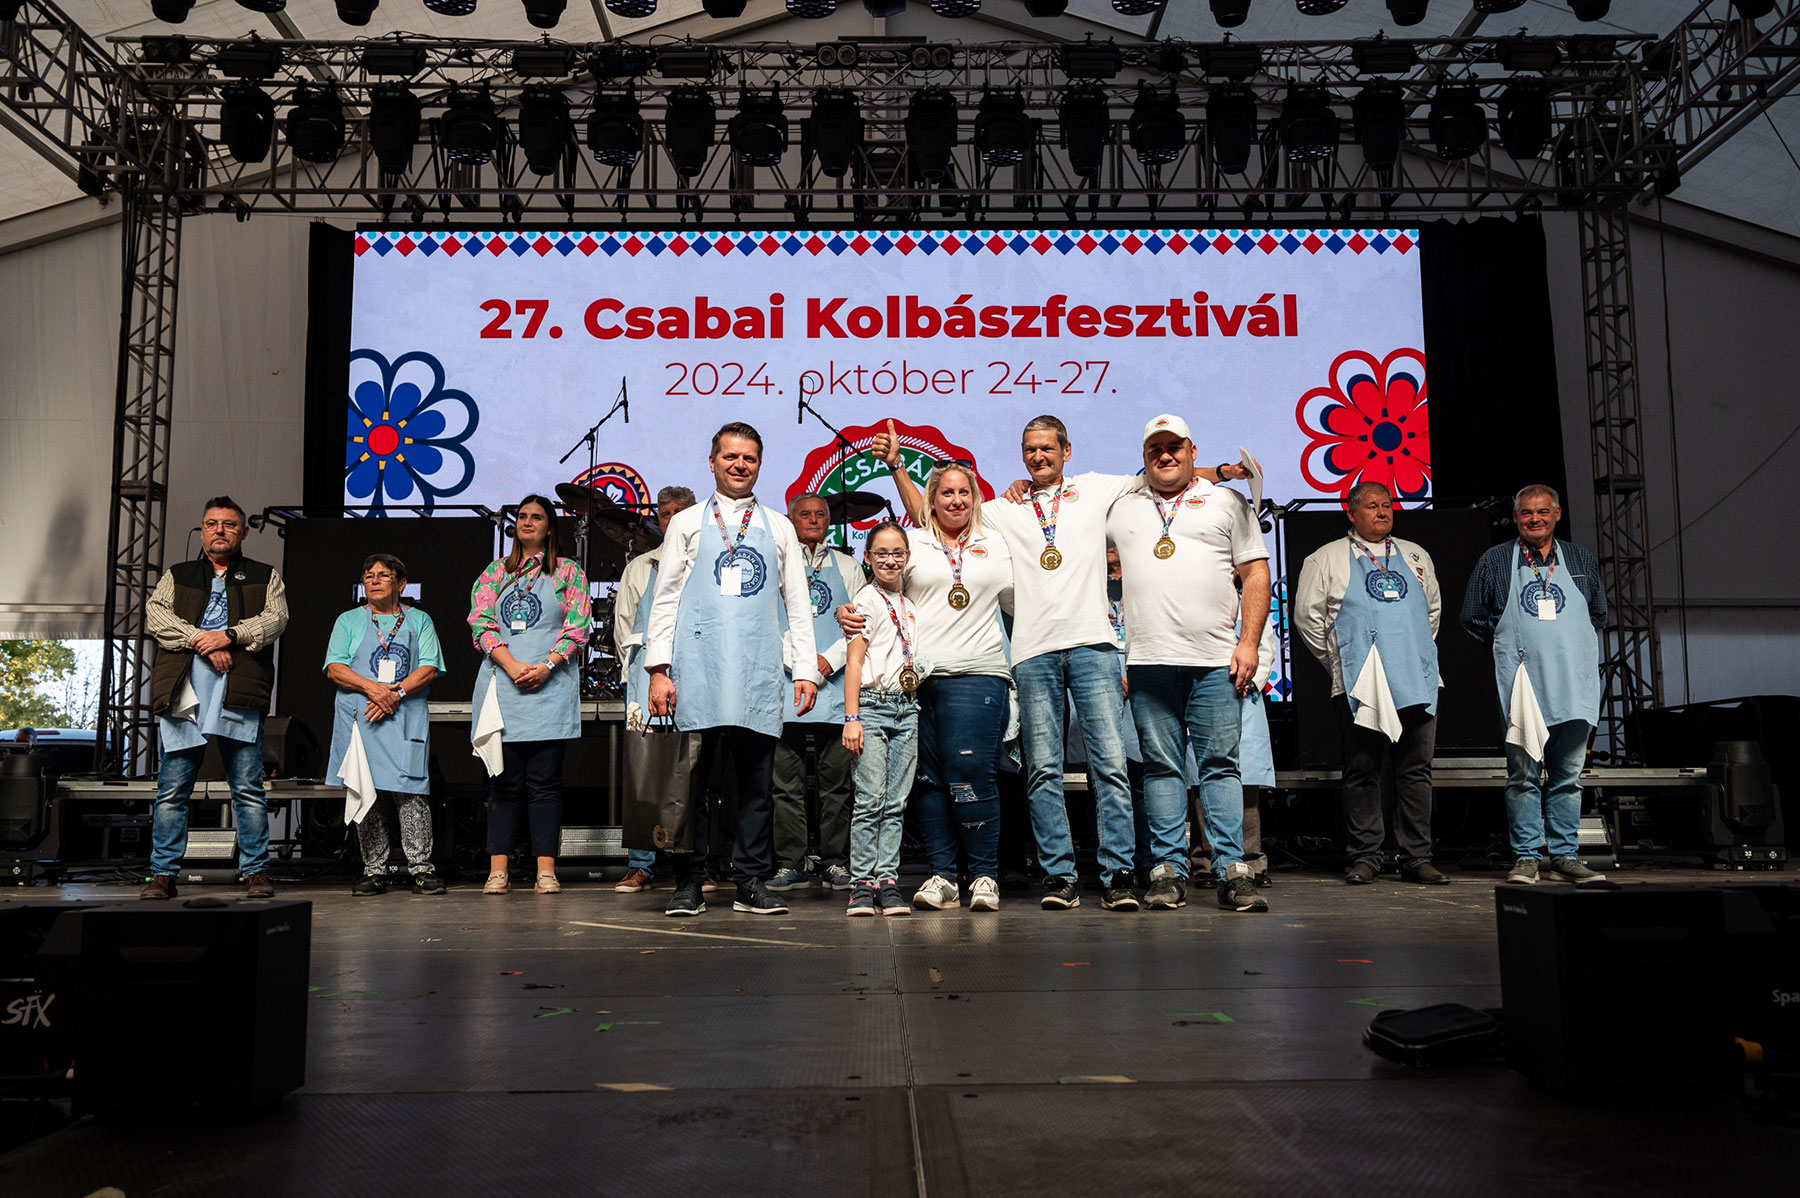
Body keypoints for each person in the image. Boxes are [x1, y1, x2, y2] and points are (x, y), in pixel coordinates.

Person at [876, 417, 1246, 912]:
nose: (1038, 456)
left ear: (1066, 451)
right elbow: (932, 515)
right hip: (1032, 653)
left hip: (1095, 647)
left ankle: (1117, 874)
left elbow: (1164, 472)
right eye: (1030, 449)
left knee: (1109, 767)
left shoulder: (1096, 489)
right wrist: (898, 468)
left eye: (1047, 448)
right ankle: (1060, 876)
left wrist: (1222, 472)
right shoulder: (1003, 508)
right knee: (1042, 772)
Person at [644, 422, 821, 917]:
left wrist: (805, 670)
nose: (740, 465)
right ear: (712, 462)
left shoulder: (779, 526)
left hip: (756, 672)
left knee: (755, 788)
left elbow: (798, 604)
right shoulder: (687, 523)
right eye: (730, 457)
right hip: (697, 670)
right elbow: (666, 599)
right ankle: (689, 882)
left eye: (749, 458)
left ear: (759, 465)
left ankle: (750, 881)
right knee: (691, 786)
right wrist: (658, 669)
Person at [1107, 415, 1271, 914]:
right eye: (1154, 448)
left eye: (1174, 446)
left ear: (1191, 450)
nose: (1165, 455)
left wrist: (1249, 644)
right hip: (1148, 662)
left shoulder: (1228, 502)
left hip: (1215, 661)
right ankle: (1167, 871)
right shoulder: (1121, 506)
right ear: (1143, 456)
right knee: (1161, 769)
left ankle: (1232, 871)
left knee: (1220, 766)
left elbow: (1255, 574)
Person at [844, 460, 1015, 913]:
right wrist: (849, 612)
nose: (956, 500)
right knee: (928, 781)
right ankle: (943, 876)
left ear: (975, 498)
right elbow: (882, 590)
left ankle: (984, 875)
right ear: (931, 501)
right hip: (916, 683)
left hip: (977, 672)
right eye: (946, 493)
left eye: (964, 492)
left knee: (971, 773)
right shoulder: (915, 542)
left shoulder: (996, 542)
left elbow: (1020, 603)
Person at [1293, 481, 1447, 886]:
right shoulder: (1325, 558)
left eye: (1387, 505)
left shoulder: (1415, 555)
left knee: (1415, 770)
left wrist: (1413, 653)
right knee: (1362, 770)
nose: (1382, 512)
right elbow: (1307, 619)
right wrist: (1342, 662)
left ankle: (1417, 856)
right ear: (1352, 513)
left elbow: (1432, 612)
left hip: (1416, 678)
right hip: (1362, 683)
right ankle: (1365, 856)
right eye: (1372, 506)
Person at [140, 496, 289, 900]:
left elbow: (276, 619)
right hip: (184, 689)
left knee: (248, 789)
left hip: (237, 687)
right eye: (211, 523)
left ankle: (256, 872)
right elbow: (157, 616)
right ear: (202, 530)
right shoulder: (178, 574)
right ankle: (162, 874)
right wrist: (201, 641)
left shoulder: (265, 575)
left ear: (243, 532)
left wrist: (230, 636)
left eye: (228, 524)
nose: (219, 530)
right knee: (172, 790)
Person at [1461, 484, 1608, 885]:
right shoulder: (1496, 560)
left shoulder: (1579, 558)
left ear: (1557, 514)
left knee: (1568, 778)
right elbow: (1472, 615)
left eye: (1543, 512)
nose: (1535, 519)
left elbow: (1597, 613)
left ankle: (1565, 856)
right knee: (1523, 776)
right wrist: (1509, 647)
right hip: (1522, 685)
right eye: (1526, 513)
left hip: (1573, 683)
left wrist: (1567, 647)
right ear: (1515, 517)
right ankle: (1526, 856)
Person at [469, 494, 590, 895]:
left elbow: (577, 628)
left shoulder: (568, 572)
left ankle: (545, 871)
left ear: (549, 528)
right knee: (503, 785)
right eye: (522, 516)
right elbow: (481, 624)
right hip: (504, 689)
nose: (527, 522)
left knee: (545, 784)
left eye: (536, 517)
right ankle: (498, 871)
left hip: (549, 690)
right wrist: (511, 665)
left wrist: (545, 667)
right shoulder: (495, 573)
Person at [324, 554, 446, 895]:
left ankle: (421, 868)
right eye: (369, 576)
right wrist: (374, 690)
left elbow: (429, 667)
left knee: (411, 793)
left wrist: (396, 693)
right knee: (367, 791)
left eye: (383, 575)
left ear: (401, 584)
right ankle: (373, 870)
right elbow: (335, 668)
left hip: (404, 717)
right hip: (361, 717)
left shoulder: (419, 620)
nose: (374, 580)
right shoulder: (348, 620)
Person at [768, 493, 865, 893]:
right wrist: (803, 665)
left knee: (836, 784)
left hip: (837, 686)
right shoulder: (777, 564)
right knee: (785, 784)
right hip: (786, 684)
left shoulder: (848, 566)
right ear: (790, 520)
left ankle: (834, 861)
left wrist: (828, 661)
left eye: (820, 514)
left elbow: (864, 619)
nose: (812, 520)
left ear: (829, 520)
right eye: (804, 514)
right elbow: (769, 621)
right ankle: (790, 863)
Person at [613, 485, 697, 895]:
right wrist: (637, 676)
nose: (672, 519)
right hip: (648, 677)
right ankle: (641, 864)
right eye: (665, 513)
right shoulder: (640, 567)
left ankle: (696, 865)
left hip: (694, 675)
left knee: (692, 768)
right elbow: (623, 628)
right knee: (644, 771)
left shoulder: (704, 564)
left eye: (680, 511)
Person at [840, 521, 922, 918]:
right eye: (881, 553)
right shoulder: (865, 600)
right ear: (867, 557)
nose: (890, 560)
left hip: (907, 708)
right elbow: (854, 663)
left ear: (907, 557)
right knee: (869, 799)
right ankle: (861, 884)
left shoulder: (909, 605)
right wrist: (852, 717)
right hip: (872, 707)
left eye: (897, 553)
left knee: (896, 802)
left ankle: (887, 880)